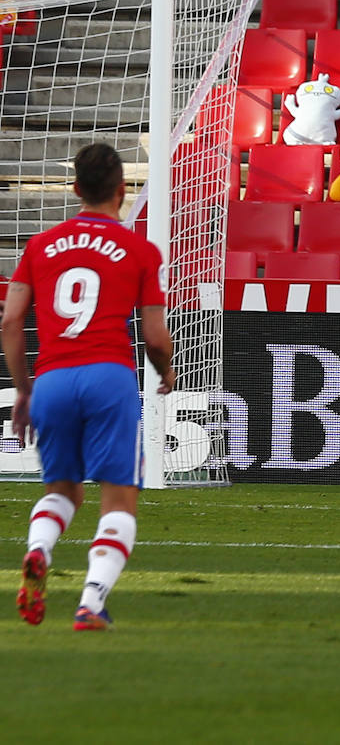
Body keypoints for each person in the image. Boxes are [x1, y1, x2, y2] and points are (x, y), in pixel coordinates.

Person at [3, 143, 175, 631]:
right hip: (109, 375)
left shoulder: (39, 247)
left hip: (53, 377)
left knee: (62, 490)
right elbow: (155, 336)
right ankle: (91, 603)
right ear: (122, 190)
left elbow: (12, 320)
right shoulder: (140, 250)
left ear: (76, 189)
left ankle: (39, 549)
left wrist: (23, 391)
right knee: (118, 498)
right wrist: (164, 370)